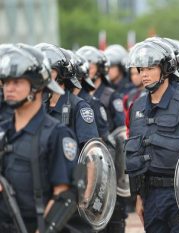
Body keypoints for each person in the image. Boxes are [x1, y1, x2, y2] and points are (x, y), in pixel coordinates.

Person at [125, 40, 179, 233]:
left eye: (150, 68)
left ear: (166, 69)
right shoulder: (137, 106)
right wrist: (138, 197)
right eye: (140, 69)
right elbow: (135, 153)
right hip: (150, 195)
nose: (143, 74)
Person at [0, 44, 77, 233]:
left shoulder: (56, 134)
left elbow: (64, 195)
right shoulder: (3, 132)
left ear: (36, 85)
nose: (9, 88)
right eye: (6, 82)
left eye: (17, 82)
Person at [35, 43, 99, 149]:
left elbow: (91, 153)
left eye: (50, 70)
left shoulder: (79, 107)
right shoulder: (38, 106)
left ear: (61, 73)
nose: (44, 75)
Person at [77, 46, 125, 133]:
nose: (86, 71)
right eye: (84, 68)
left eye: (90, 68)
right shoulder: (77, 95)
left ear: (99, 68)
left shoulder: (112, 95)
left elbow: (121, 127)